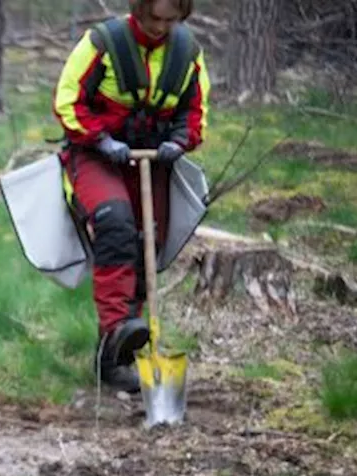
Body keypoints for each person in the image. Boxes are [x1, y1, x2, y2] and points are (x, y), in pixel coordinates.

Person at [52, 0, 211, 393]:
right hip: (95, 155)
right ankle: (114, 337)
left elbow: (195, 113)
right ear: (138, 10)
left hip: (151, 159)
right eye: (154, 18)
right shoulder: (102, 43)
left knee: (146, 244)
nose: (160, 27)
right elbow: (67, 100)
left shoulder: (187, 53)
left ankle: (124, 354)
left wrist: (179, 141)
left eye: (170, 20)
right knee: (115, 222)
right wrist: (101, 139)